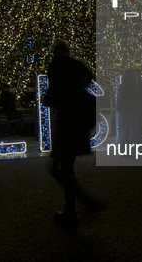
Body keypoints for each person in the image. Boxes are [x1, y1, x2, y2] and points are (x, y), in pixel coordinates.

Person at [44, 41, 99, 228]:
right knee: (67, 166)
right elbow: (89, 77)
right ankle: (74, 207)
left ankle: (79, 205)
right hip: (80, 122)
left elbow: (51, 96)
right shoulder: (76, 66)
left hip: (67, 122)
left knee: (58, 169)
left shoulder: (56, 67)